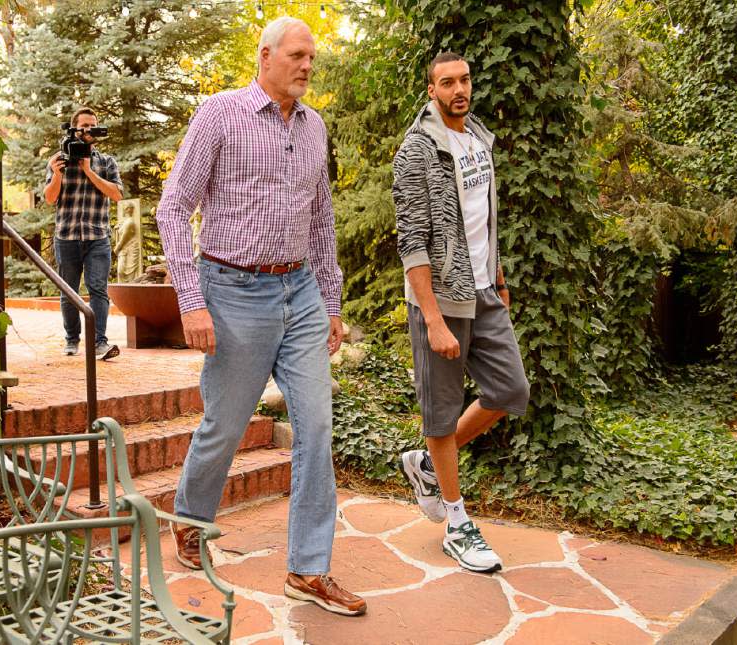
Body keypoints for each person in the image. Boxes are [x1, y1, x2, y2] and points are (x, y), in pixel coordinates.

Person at [156, 17, 366, 617]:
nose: (306, 66)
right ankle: (191, 520)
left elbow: (321, 223)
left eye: (312, 58)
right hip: (232, 292)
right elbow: (175, 210)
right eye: (297, 56)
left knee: (318, 426)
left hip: (299, 291)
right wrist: (191, 301)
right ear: (266, 55)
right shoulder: (220, 115)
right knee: (224, 425)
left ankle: (308, 569)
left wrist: (331, 303)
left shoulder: (314, 126)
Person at [392, 51, 531, 573]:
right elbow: (413, 242)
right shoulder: (416, 152)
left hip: (484, 292)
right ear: (431, 90)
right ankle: (455, 521)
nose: (459, 89)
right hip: (440, 299)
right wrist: (431, 317)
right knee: (441, 412)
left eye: (465, 79)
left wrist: (496, 275)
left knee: (509, 390)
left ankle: (427, 464)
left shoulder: (479, 139)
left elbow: (485, 218)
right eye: (447, 82)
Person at [45, 107, 123, 360]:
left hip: (97, 236)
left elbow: (117, 194)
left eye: (93, 125)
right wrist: (57, 174)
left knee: (98, 289)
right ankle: (72, 340)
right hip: (66, 236)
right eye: (84, 126)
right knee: (69, 292)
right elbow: (49, 198)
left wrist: (89, 171)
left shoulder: (107, 162)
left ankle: (99, 342)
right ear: (74, 128)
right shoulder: (58, 160)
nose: (89, 130)